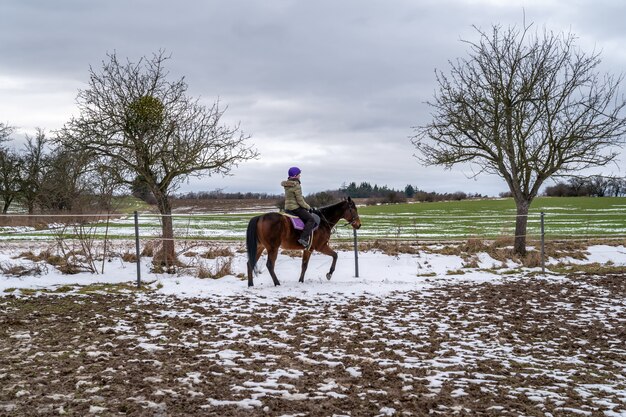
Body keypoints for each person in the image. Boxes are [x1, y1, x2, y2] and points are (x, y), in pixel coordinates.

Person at [282, 167, 316, 247]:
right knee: (311, 219)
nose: (300, 176)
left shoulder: (287, 185)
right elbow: (300, 201)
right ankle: (303, 238)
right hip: (295, 208)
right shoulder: (296, 185)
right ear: (295, 175)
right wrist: (308, 207)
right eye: (299, 174)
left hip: (287, 208)